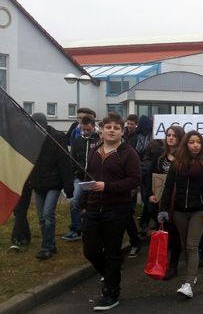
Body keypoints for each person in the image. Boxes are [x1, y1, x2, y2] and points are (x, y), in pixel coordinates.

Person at [81, 112, 141, 311]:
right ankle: (109, 273)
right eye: (108, 127)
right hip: (92, 207)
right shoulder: (95, 151)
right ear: (102, 130)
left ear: (122, 132)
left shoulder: (129, 153)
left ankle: (111, 293)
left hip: (116, 209)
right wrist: (83, 202)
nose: (112, 131)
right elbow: (89, 176)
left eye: (116, 128)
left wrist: (107, 186)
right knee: (90, 250)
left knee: (113, 252)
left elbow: (134, 180)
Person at [158, 130, 203, 298]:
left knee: (192, 246)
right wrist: (163, 208)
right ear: (186, 144)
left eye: (198, 142)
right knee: (186, 246)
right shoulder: (178, 163)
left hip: (199, 211)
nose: (195, 145)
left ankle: (189, 284)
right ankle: (193, 275)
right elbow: (168, 187)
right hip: (179, 212)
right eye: (192, 142)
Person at [28, 113, 74, 260]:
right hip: (38, 184)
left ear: (45, 124)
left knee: (48, 214)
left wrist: (68, 188)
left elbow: (65, 164)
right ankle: (51, 244)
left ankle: (46, 247)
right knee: (41, 217)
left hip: (54, 184)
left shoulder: (57, 138)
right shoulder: (31, 138)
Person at [145, 125, 184, 280]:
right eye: (168, 135)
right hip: (161, 200)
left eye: (174, 135)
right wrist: (149, 194)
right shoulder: (160, 157)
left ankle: (173, 265)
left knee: (174, 233)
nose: (171, 138)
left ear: (180, 138)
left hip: (178, 201)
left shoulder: (184, 157)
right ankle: (163, 260)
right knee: (165, 231)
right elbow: (149, 176)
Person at [63, 114, 100, 242]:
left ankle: (93, 229)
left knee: (92, 204)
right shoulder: (78, 140)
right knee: (74, 201)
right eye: (84, 129)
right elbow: (72, 159)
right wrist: (72, 175)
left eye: (88, 129)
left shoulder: (99, 140)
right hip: (80, 177)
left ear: (93, 126)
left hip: (95, 178)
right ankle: (76, 229)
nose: (86, 132)